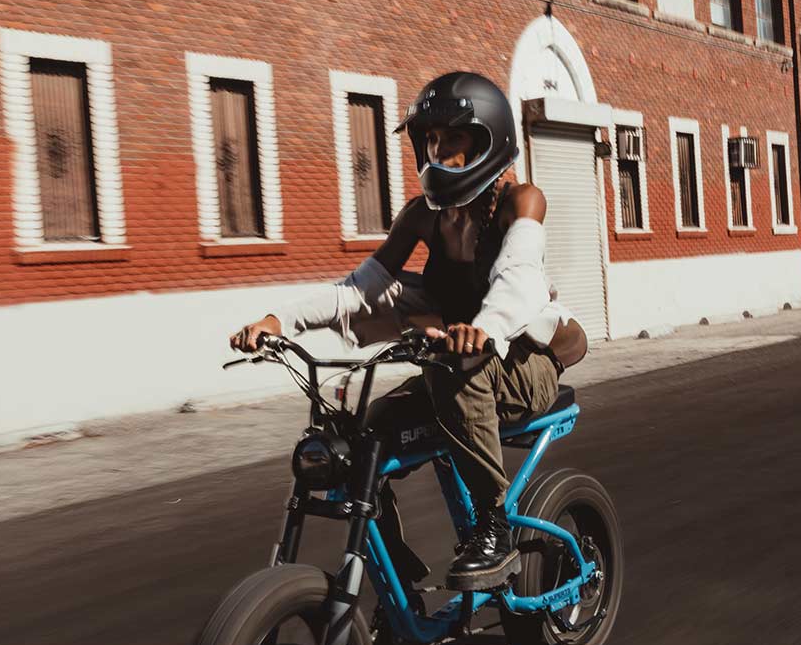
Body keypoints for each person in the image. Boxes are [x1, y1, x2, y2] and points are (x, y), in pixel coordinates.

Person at [230, 72, 587, 592]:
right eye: (432, 141)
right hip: (458, 364)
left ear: (490, 142)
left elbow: (520, 275)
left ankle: (495, 526)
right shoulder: (422, 216)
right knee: (361, 438)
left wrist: (482, 330)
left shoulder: (520, 201)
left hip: (524, 364)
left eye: (455, 139)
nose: (441, 154)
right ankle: (396, 580)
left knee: (452, 373)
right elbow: (360, 289)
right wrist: (277, 321)